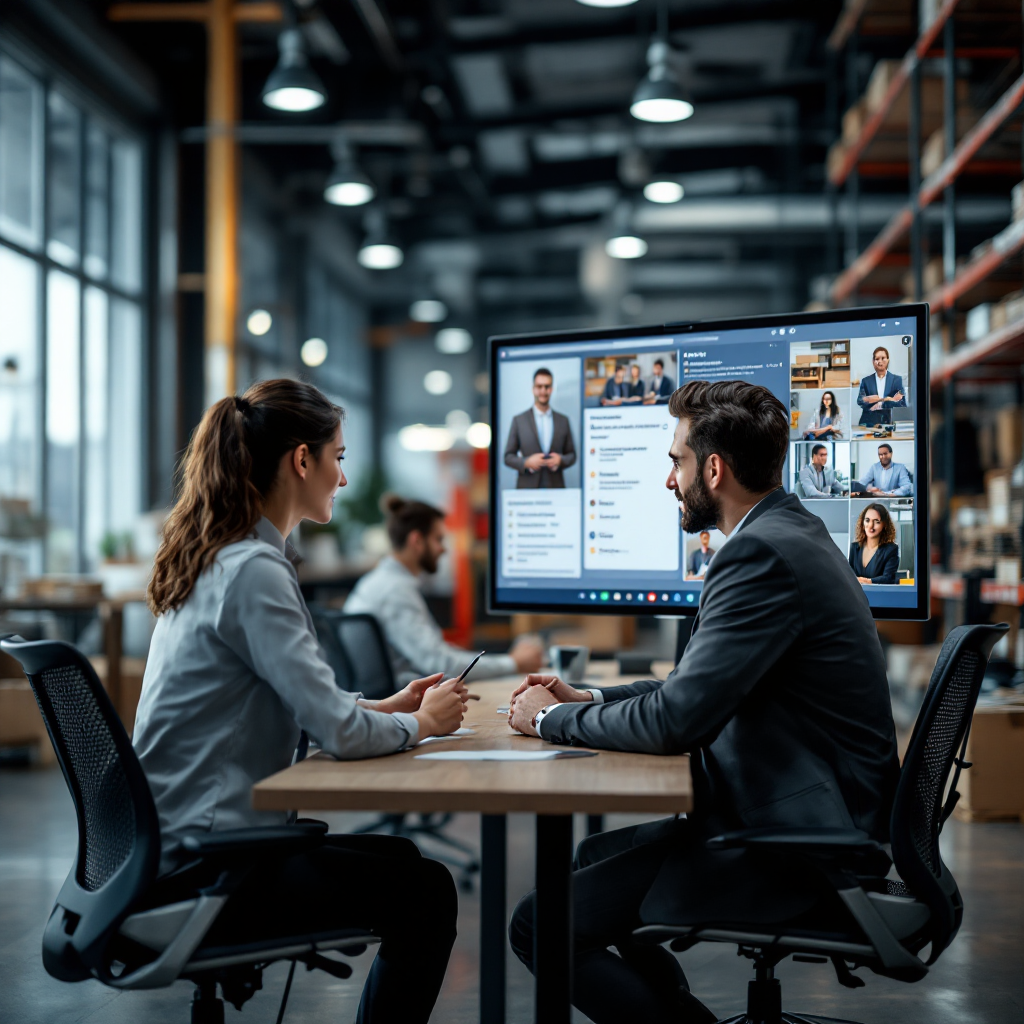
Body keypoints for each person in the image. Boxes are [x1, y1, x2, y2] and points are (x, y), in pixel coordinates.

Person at [506, 379, 899, 1024]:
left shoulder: (759, 555)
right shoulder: (790, 532)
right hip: (807, 807)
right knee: (589, 857)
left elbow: (675, 721)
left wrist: (549, 719)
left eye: (676, 461)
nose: (670, 479)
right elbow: (690, 688)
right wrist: (590, 696)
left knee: (538, 924)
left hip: (802, 842)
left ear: (713, 470)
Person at [135, 380, 468, 1024]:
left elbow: (305, 706)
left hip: (172, 849)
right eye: (338, 457)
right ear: (301, 460)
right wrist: (421, 723)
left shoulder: (222, 557)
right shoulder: (254, 571)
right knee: (426, 892)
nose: (344, 478)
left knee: (404, 862)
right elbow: (336, 734)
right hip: (209, 870)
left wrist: (388, 707)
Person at [346, 495, 545, 684]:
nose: (444, 549)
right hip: (398, 699)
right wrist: (513, 663)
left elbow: (436, 655)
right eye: (439, 539)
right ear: (417, 541)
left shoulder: (378, 582)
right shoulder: (394, 591)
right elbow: (439, 664)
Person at [503, 366, 577, 488]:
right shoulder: (519, 420)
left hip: (555, 487)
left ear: (551, 389)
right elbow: (508, 457)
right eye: (539, 386)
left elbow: (572, 455)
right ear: (533, 389)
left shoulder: (563, 421)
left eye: (547, 387)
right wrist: (526, 462)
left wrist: (560, 460)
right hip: (527, 489)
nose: (543, 391)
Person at [849, 503, 900, 585]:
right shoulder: (854, 547)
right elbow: (848, 575)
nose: (871, 526)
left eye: (877, 522)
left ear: (884, 525)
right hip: (855, 592)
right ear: (862, 523)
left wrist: (867, 581)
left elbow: (888, 578)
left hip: (878, 592)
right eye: (867, 520)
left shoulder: (891, 549)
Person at [857, 345, 906, 426]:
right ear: (873, 362)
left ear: (888, 360)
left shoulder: (897, 380)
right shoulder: (866, 381)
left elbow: (902, 404)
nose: (880, 361)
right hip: (869, 423)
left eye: (883, 358)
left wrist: (882, 404)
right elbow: (861, 401)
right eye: (877, 359)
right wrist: (885, 399)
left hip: (889, 422)